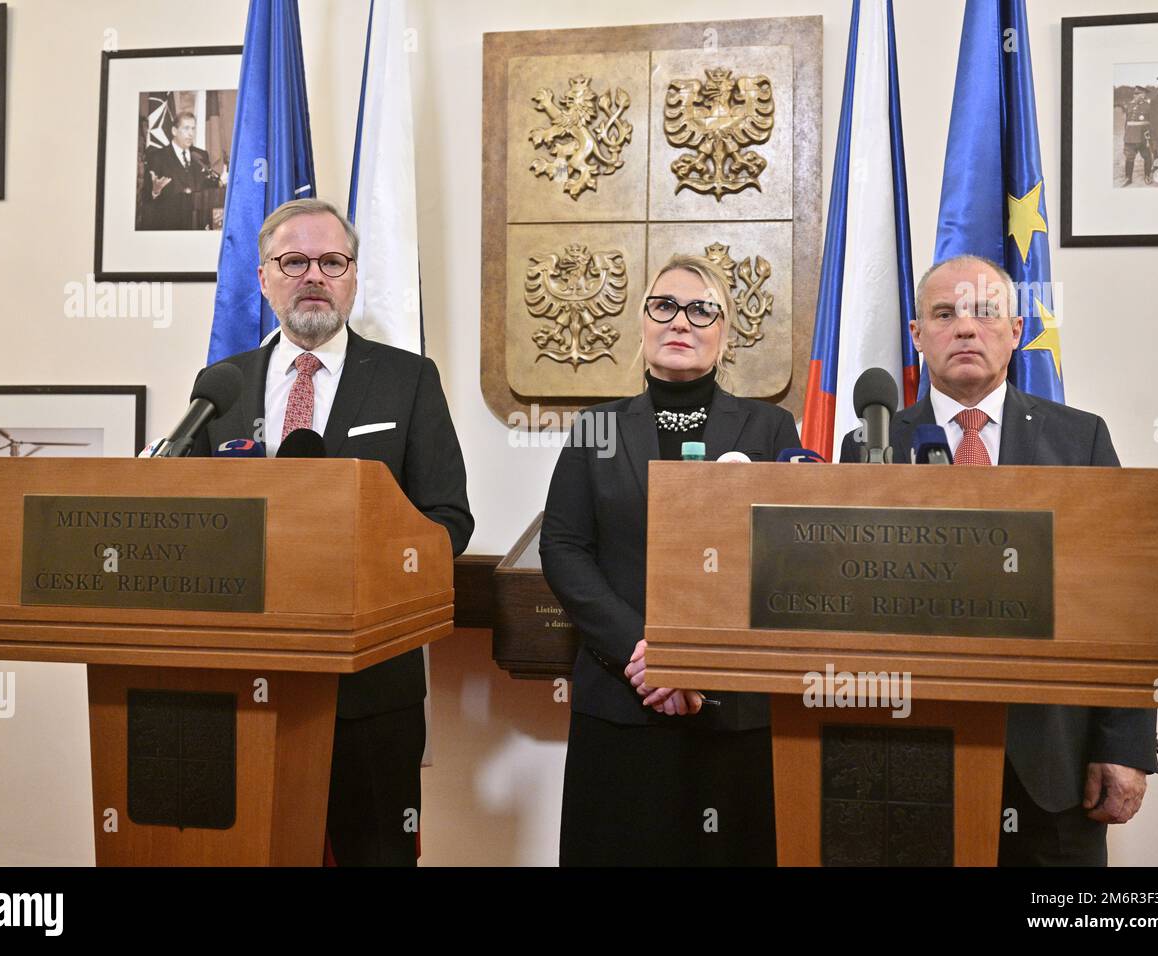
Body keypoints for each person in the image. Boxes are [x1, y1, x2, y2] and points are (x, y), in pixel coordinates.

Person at [839, 254, 1158, 866]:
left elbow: (1124, 598)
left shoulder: (1078, 440)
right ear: (917, 335)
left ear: (1015, 332)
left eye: (985, 313)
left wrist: (1126, 743)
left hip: (1050, 765)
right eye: (944, 313)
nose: (964, 328)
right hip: (906, 761)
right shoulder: (869, 446)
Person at [187, 197, 474, 865]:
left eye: (332, 261)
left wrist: (366, 568)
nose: (314, 275)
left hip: (371, 687)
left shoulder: (408, 381)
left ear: (353, 276)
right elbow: (192, 510)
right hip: (245, 679)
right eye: (294, 261)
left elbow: (448, 521)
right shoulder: (221, 385)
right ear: (263, 278)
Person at [540, 254, 800, 866]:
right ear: (642, 322)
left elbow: (785, 559)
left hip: (736, 708)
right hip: (622, 699)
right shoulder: (595, 428)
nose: (681, 320)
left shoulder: (770, 429)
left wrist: (696, 662)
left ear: (724, 332)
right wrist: (645, 653)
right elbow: (564, 548)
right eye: (665, 306)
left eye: (702, 309)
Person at [140, 111, 223, 229]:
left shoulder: (201, 155)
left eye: (193, 129)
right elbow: (146, 198)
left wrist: (219, 183)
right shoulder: (157, 157)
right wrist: (155, 191)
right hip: (170, 227)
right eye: (186, 128)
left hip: (198, 226)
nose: (191, 134)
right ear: (174, 131)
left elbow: (207, 187)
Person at [1119, 86, 1152, 185]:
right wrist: (1126, 135)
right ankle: (1128, 178)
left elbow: (1152, 122)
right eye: (1135, 94)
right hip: (1130, 137)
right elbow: (1127, 122)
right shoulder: (1129, 105)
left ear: (1143, 95)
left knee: (1147, 157)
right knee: (1129, 157)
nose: (1136, 96)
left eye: (1139, 94)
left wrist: (1150, 136)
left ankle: (1147, 176)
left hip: (1143, 137)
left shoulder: (1148, 106)